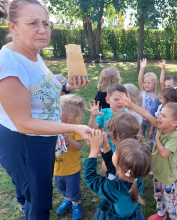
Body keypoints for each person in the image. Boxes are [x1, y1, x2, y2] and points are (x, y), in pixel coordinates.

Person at [0, 1, 92, 219]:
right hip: (25, 143)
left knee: (38, 195)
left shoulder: (33, 53)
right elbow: (23, 122)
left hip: (43, 138)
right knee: (39, 203)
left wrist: (67, 87)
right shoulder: (9, 63)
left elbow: (41, 89)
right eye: (33, 23)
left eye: (46, 23)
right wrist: (73, 127)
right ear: (12, 27)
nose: (42, 30)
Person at [118, 93, 177, 220]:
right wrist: (131, 105)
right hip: (157, 173)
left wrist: (157, 139)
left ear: (174, 123)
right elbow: (147, 115)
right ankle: (161, 214)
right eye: (160, 114)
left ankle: (174, 217)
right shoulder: (162, 127)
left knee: (171, 201)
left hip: (167, 178)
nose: (159, 117)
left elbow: (164, 153)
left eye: (164, 116)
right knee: (159, 196)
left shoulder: (175, 136)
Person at [85, 131, 151, 220]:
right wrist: (106, 145)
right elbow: (114, 169)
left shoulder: (115, 188)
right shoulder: (136, 176)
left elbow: (90, 178)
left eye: (116, 151)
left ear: (120, 166)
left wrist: (94, 150)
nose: (114, 152)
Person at [54, 94, 87, 220]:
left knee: (73, 189)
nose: (56, 112)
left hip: (72, 168)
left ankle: (76, 203)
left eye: (59, 110)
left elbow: (79, 146)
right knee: (61, 186)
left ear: (70, 115)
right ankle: (67, 199)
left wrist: (68, 137)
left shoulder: (77, 128)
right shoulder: (55, 124)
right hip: (57, 167)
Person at [87, 83, 127, 153]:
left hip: (122, 151)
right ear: (107, 100)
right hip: (106, 150)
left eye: (122, 99)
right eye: (116, 99)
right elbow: (92, 128)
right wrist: (93, 116)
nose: (120, 102)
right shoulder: (103, 113)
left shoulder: (127, 115)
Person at [138, 58, 160, 150]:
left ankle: (151, 153)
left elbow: (158, 110)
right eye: (145, 82)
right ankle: (139, 151)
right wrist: (142, 68)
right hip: (141, 119)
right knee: (140, 136)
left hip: (151, 121)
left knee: (151, 138)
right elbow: (139, 80)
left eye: (149, 83)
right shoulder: (143, 91)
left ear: (154, 84)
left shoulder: (157, 95)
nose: (146, 84)